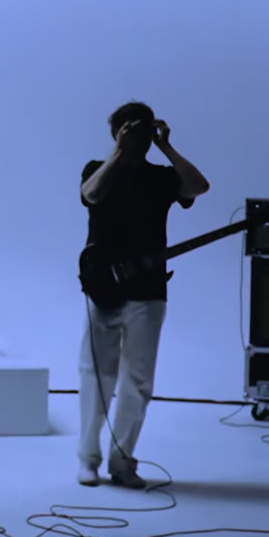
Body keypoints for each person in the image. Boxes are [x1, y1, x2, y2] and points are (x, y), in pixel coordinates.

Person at [76, 102, 210, 488]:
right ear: (116, 133)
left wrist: (166, 146)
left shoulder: (162, 177)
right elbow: (92, 194)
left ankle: (123, 462)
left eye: (143, 132)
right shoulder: (95, 170)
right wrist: (119, 152)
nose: (137, 139)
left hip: (149, 289)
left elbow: (199, 187)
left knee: (137, 380)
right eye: (130, 131)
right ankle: (88, 459)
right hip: (102, 284)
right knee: (97, 376)